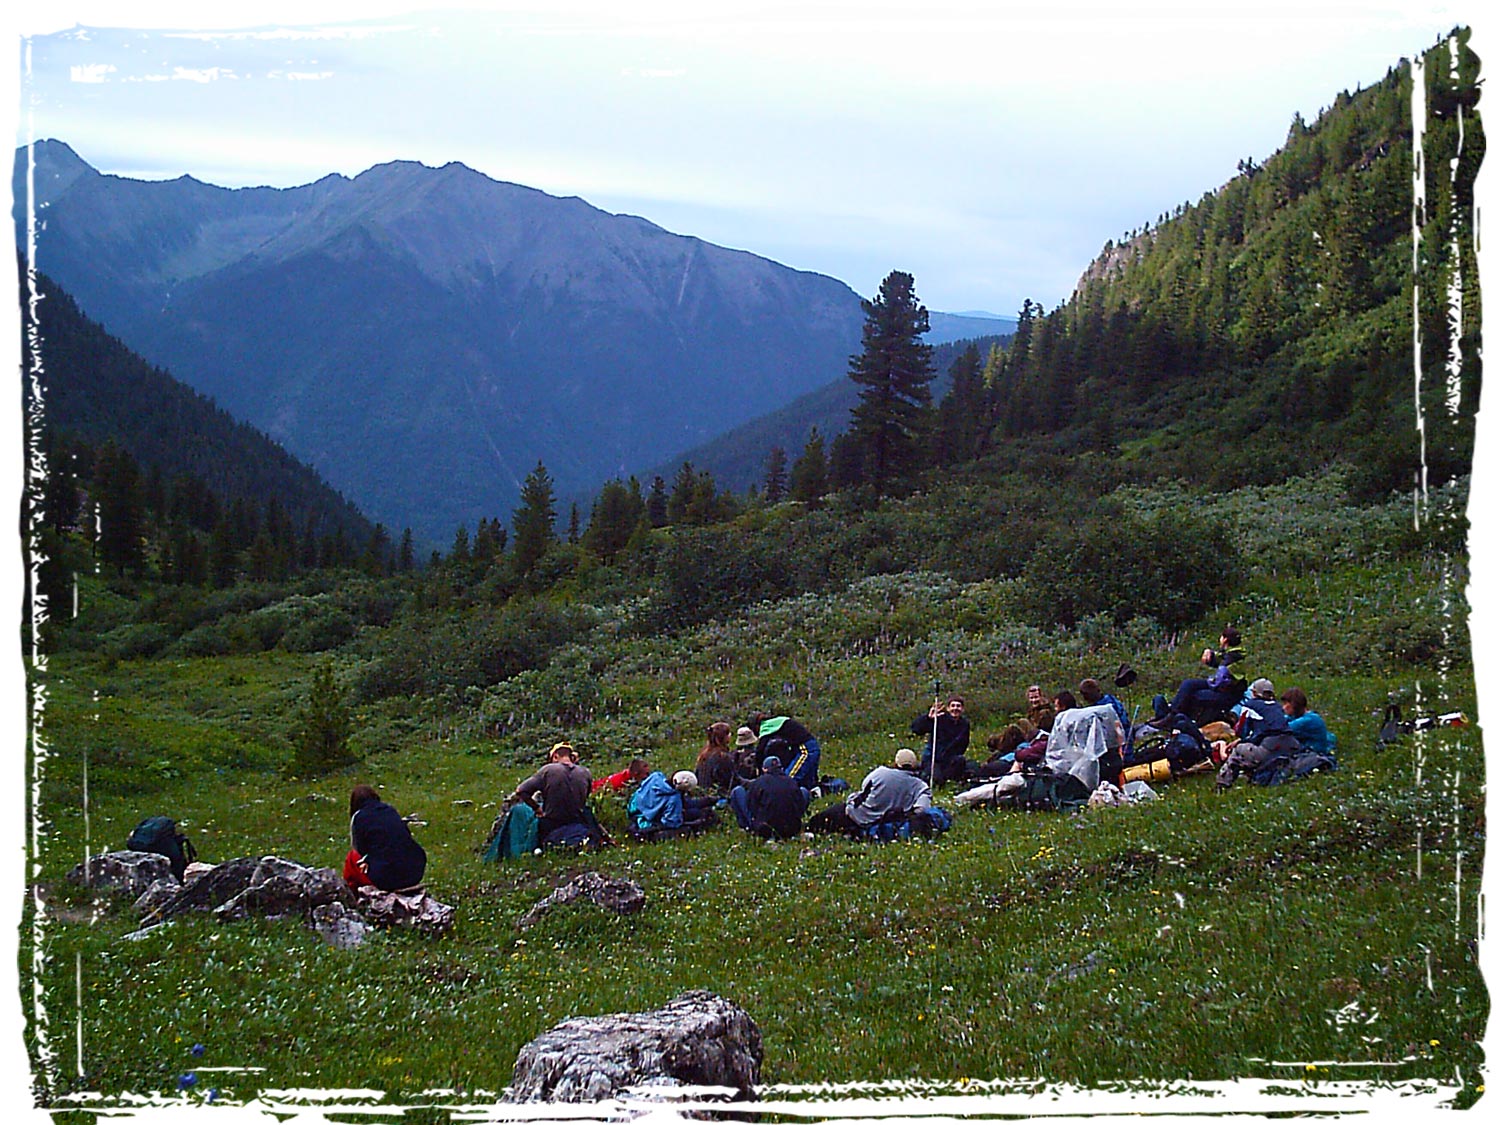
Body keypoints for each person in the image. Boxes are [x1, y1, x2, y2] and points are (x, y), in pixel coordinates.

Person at [1155, 626, 1249, 724]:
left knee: (1196, 695)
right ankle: (1172, 713)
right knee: (1188, 684)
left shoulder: (1233, 657)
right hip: (1222, 687)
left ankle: (1175, 718)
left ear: (1225, 639)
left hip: (1229, 693)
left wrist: (1210, 681)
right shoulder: (1232, 653)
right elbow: (1218, 658)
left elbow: (1220, 682)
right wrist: (1210, 653)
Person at [344, 784, 427, 891]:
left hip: (386, 877)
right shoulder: (390, 810)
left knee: (352, 858)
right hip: (415, 871)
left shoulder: (359, 817)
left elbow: (359, 848)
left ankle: (351, 894)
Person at [509, 741, 593, 840]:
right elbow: (585, 797)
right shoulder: (585, 772)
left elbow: (521, 790)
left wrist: (536, 808)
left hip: (552, 824)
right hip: (577, 821)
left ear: (556, 756)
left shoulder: (548, 770)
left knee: (519, 810)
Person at [729, 755, 806, 839]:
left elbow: (751, 805)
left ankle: (746, 827)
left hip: (765, 829)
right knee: (804, 791)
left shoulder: (759, 782)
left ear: (764, 769)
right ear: (781, 768)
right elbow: (800, 803)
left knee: (737, 791)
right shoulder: (791, 782)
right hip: (792, 828)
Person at [750, 713, 822, 790]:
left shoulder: (766, 726)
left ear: (757, 727)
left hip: (806, 750)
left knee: (788, 780)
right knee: (808, 781)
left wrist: (758, 770)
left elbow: (760, 750)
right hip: (812, 746)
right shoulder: (775, 721)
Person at [912, 695, 972, 785]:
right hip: (933, 759)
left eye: (958, 706)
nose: (955, 708)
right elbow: (917, 729)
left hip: (950, 759)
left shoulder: (964, 724)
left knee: (960, 762)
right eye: (953, 706)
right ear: (948, 708)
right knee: (936, 780)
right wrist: (928, 718)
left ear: (962, 709)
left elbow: (963, 744)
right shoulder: (939, 719)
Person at [1280, 687, 1337, 757]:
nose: (1283, 707)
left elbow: (1282, 729)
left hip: (1314, 753)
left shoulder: (1308, 720)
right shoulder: (1298, 716)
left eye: (1286, 704)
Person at [695, 722, 738, 796]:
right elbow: (732, 780)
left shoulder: (703, 756)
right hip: (718, 796)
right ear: (724, 737)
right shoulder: (722, 757)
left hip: (704, 794)